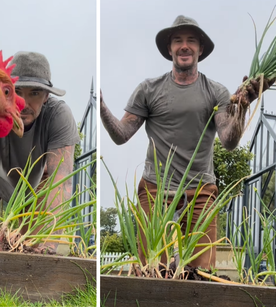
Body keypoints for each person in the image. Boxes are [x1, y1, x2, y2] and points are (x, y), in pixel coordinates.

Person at [100, 15, 270, 269]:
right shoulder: (149, 89)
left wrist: (243, 109)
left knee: (200, 273)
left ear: (200, 49)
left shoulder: (216, 92)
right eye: (178, 40)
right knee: (154, 270)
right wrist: (102, 108)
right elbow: (122, 134)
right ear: (169, 49)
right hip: (156, 191)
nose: (184, 46)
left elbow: (229, 140)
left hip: (200, 191)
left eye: (191, 40)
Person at [0, 51, 80, 252]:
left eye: (34, 93)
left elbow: (60, 183)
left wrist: (49, 246)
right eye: (17, 92)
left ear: (46, 96)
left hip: (38, 184)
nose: (23, 103)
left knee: (33, 248)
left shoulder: (59, 116)